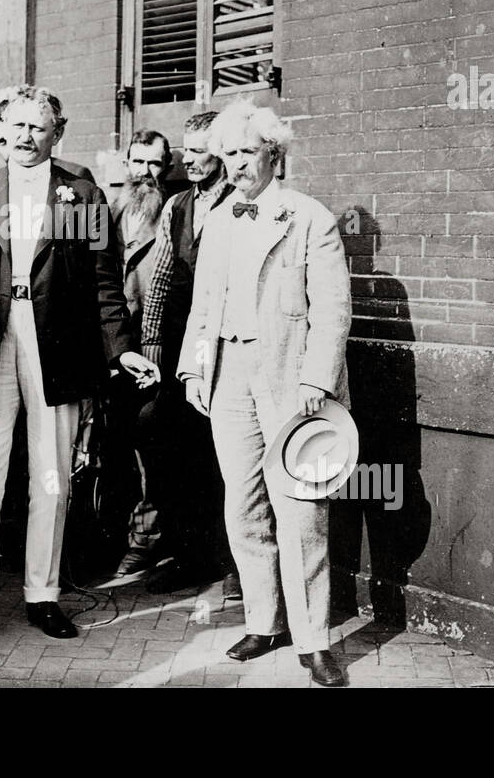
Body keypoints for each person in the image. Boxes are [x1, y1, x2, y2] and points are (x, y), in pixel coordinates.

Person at [0, 85, 159, 654]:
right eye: (15, 127)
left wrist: (121, 347)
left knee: (52, 479)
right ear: (0, 131)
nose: (25, 137)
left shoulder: (81, 195)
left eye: (39, 127)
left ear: (58, 132)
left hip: (57, 345)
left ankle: (42, 594)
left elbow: (106, 284)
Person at [176, 99, 351, 686]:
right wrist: (196, 370)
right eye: (227, 154)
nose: (236, 164)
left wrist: (315, 380)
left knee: (301, 509)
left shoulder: (310, 218)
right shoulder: (220, 218)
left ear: (274, 153)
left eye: (247, 151)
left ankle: (314, 639)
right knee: (242, 502)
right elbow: (203, 308)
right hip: (228, 376)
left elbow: (332, 310)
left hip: (287, 378)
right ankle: (263, 619)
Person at [137, 110, 238, 596]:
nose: (190, 159)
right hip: (178, 346)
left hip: (226, 347)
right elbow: (158, 280)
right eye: (187, 149)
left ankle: (233, 562)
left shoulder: (241, 203)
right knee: (160, 433)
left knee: (224, 452)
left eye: (202, 150)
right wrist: (152, 346)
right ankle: (187, 552)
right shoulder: (177, 205)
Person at [108, 129, 173, 580]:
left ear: (166, 168)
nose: (145, 172)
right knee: (112, 447)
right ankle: (113, 536)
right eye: (138, 162)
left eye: (154, 163)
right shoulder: (110, 213)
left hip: (153, 355)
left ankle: (147, 541)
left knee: (151, 444)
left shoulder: (173, 213)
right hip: (113, 351)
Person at [0, 85, 95, 183]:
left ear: (57, 135)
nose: (25, 137)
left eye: (36, 128)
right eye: (19, 125)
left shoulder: (85, 189)